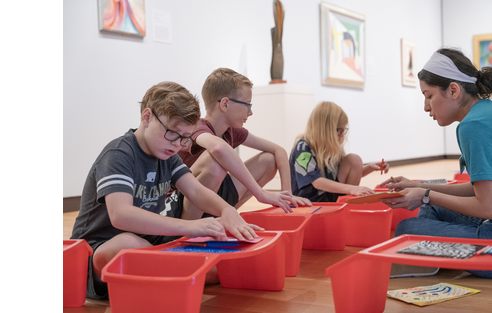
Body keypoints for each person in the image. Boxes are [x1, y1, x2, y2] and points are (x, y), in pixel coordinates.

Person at [70, 81, 263, 300]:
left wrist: (228, 211)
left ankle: (165, 267)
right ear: (147, 117)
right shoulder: (119, 154)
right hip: (95, 255)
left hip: (149, 243)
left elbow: (197, 192)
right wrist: (190, 227)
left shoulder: (168, 156)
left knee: (218, 270)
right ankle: (165, 267)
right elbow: (120, 215)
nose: (177, 144)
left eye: (185, 138)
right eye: (172, 133)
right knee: (129, 244)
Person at [379, 48, 492, 279]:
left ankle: (436, 259)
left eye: (428, 95)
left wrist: (425, 194)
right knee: (431, 207)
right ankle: (438, 258)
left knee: (407, 230)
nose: (425, 107)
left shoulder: (474, 125)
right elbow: (480, 189)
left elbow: (490, 209)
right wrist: (418, 187)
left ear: (453, 90)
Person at [178, 68, 311, 215]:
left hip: (215, 194)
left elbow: (278, 150)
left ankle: (225, 215)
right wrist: (261, 193)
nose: (250, 112)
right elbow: (218, 148)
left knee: (268, 159)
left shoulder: (231, 131)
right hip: (183, 202)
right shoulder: (198, 128)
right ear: (225, 104)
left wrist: (287, 193)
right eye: (247, 105)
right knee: (214, 161)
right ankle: (194, 227)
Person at [289, 101, 389, 202]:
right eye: (339, 130)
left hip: (331, 196)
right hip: (310, 201)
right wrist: (351, 189)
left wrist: (370, 168)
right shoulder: (302, 148)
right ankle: (345, 204)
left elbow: (350, 172)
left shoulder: (332, 147)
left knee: (354, 160)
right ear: (325, 129)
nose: (342, 135)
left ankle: (346, 203)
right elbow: (317, 182)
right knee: (353, 161)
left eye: (343, 131)